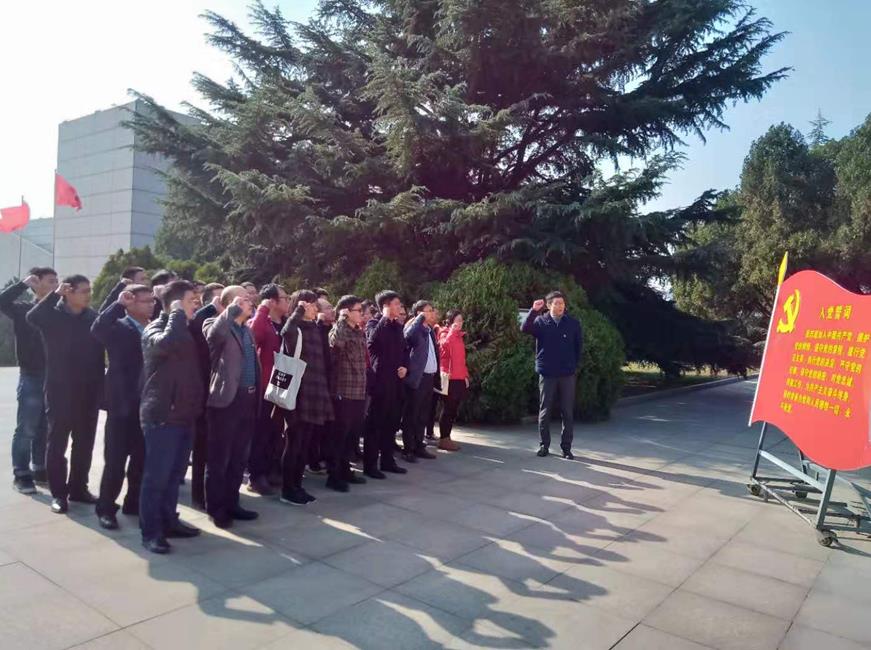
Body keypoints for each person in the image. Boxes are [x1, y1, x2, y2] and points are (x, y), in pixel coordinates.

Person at [26, 275, 104, 514]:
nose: (88, 295)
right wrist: (54, 295)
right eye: (83, 291)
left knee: (84, 443)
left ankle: (79, 488)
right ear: (68, 292)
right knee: (57, 444)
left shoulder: (93, 317)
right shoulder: (52, 315)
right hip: (60, 390)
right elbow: (32, 317)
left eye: (89, 290)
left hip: (89, 391)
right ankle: (59, 494)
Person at [139, 280, 203, 554]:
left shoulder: (184, 328)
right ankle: (151, 532)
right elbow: (167, 344)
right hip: (163, 414)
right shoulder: (155, 328)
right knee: (156, 478)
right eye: (190, 301)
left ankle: (169, 521)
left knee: (174, 475)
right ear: (174, 303)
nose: (195, 305)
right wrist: (176, 312)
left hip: (184, 414)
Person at [90, 283, 153, 529]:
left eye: (152, 300)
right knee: (115, 461)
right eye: (145, 301)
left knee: (141, 459)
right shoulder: (119, 327)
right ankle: (106, 508)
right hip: (122, 405)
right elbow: (98, 328)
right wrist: (118, 304)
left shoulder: (153, 327)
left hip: (147, 404)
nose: (151, 305)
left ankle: (133, 502)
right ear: (131, 302)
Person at [203, 286, 260, 528]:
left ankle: (232, 503)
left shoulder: (247, 329)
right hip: (227, 401)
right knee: (220, 458)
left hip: (248, 399)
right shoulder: (215, 324)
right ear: (229, 304)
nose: (250, 301)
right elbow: (213, 336)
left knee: (238, 457)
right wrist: (230, 311)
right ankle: (216, 508)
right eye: (243, 299)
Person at [1, 268, 58, 493]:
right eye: (51, 281)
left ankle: (40, 469)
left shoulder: (58, 310)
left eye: (56, 281)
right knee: (27, 427)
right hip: (32, 375)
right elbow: (2, 301)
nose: (55, 285)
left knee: (45, 427)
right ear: (37, 283)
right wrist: (22, 284)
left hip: (54, 376)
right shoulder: (22, 309)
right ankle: (21, 474)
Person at [279, 290, 334, 505]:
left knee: (304, 444)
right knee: (294, 443)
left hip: (315, 393)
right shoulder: (296, 328)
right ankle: (287, 489)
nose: (315, 308)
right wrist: (299, 311)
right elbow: (286, 331)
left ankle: (297, 485)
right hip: (298, 394)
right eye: (310, 304)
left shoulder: (314, 329)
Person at [521, 291, 583, 459]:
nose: (560, 306)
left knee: (567, 412)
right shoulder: (541, 321)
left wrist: (573, 365)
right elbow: (525, 328)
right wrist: (533, 311)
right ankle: (544, 445)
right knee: (545, 410)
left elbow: (578, 347)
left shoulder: (572, 323)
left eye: (562, 303)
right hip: (547, 373)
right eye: (556, 303)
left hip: (567, 374)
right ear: (549, 305)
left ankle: (566, 448)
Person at [247, 283, 289, 495]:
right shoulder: (263, 321)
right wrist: (263, 309)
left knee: (276, 431)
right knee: (261, 432)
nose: (288, 301)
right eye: (284, 298)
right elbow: (253, 336)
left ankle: (273, 469)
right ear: (272, 301)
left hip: (284, 383)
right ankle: (257, 476)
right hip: (266, 384)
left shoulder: (286, 323)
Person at [365, 291, 409, 478]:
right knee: (375, 425)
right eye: (396, 304)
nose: (399, 308)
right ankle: (370, 465)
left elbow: (405, 351)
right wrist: (384, 318)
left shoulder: (398, 326)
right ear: (386, 306)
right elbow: (373, 343)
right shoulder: (373, 324)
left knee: (391, 424)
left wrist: (405, 367)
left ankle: (388, 461)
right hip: (380, 383)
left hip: (396, 383)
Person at [327, 295, 369, 492]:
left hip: (359, 390)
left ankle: (345, 470)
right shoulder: (338, 329)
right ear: (346, 312)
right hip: (343, 391)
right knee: (339, 435)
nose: (361, 313)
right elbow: (335, 342)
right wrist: (342, 320)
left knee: (351, 435)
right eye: (358, 310)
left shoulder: (359, 332)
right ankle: (334, 475)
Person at [188, 284, 224, 509]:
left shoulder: (227, 320)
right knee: (202, 447)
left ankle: (217, 493)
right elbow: (195, 326)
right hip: (202, 391)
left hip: (220, 391)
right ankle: (199, 495)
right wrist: (212, 307)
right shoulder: (202, 319)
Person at [401, 301, 440, 463]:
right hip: (418, 378)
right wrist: (418, 319)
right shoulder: (414, 328)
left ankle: (419, 445)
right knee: (412, 414)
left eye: (432, 310)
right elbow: (408, 337)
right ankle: (408, 449)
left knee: (423, 415)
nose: (432, 313)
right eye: (428, 310)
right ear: (419, 313)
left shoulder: (429, 330)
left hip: (429, 378)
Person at [437, 310, 470, 451]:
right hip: (449, 377)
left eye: (461, 320)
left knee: (453, 409)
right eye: (457, 320)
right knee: (448, 408)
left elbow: (461, 360)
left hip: (459, 377)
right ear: (450, 321)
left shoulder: (459, 336)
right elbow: (443, 348)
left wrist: (466, 376)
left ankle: (447, 437)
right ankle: (443, 438)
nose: (460, 323)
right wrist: (451, 332)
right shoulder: (445, 333)